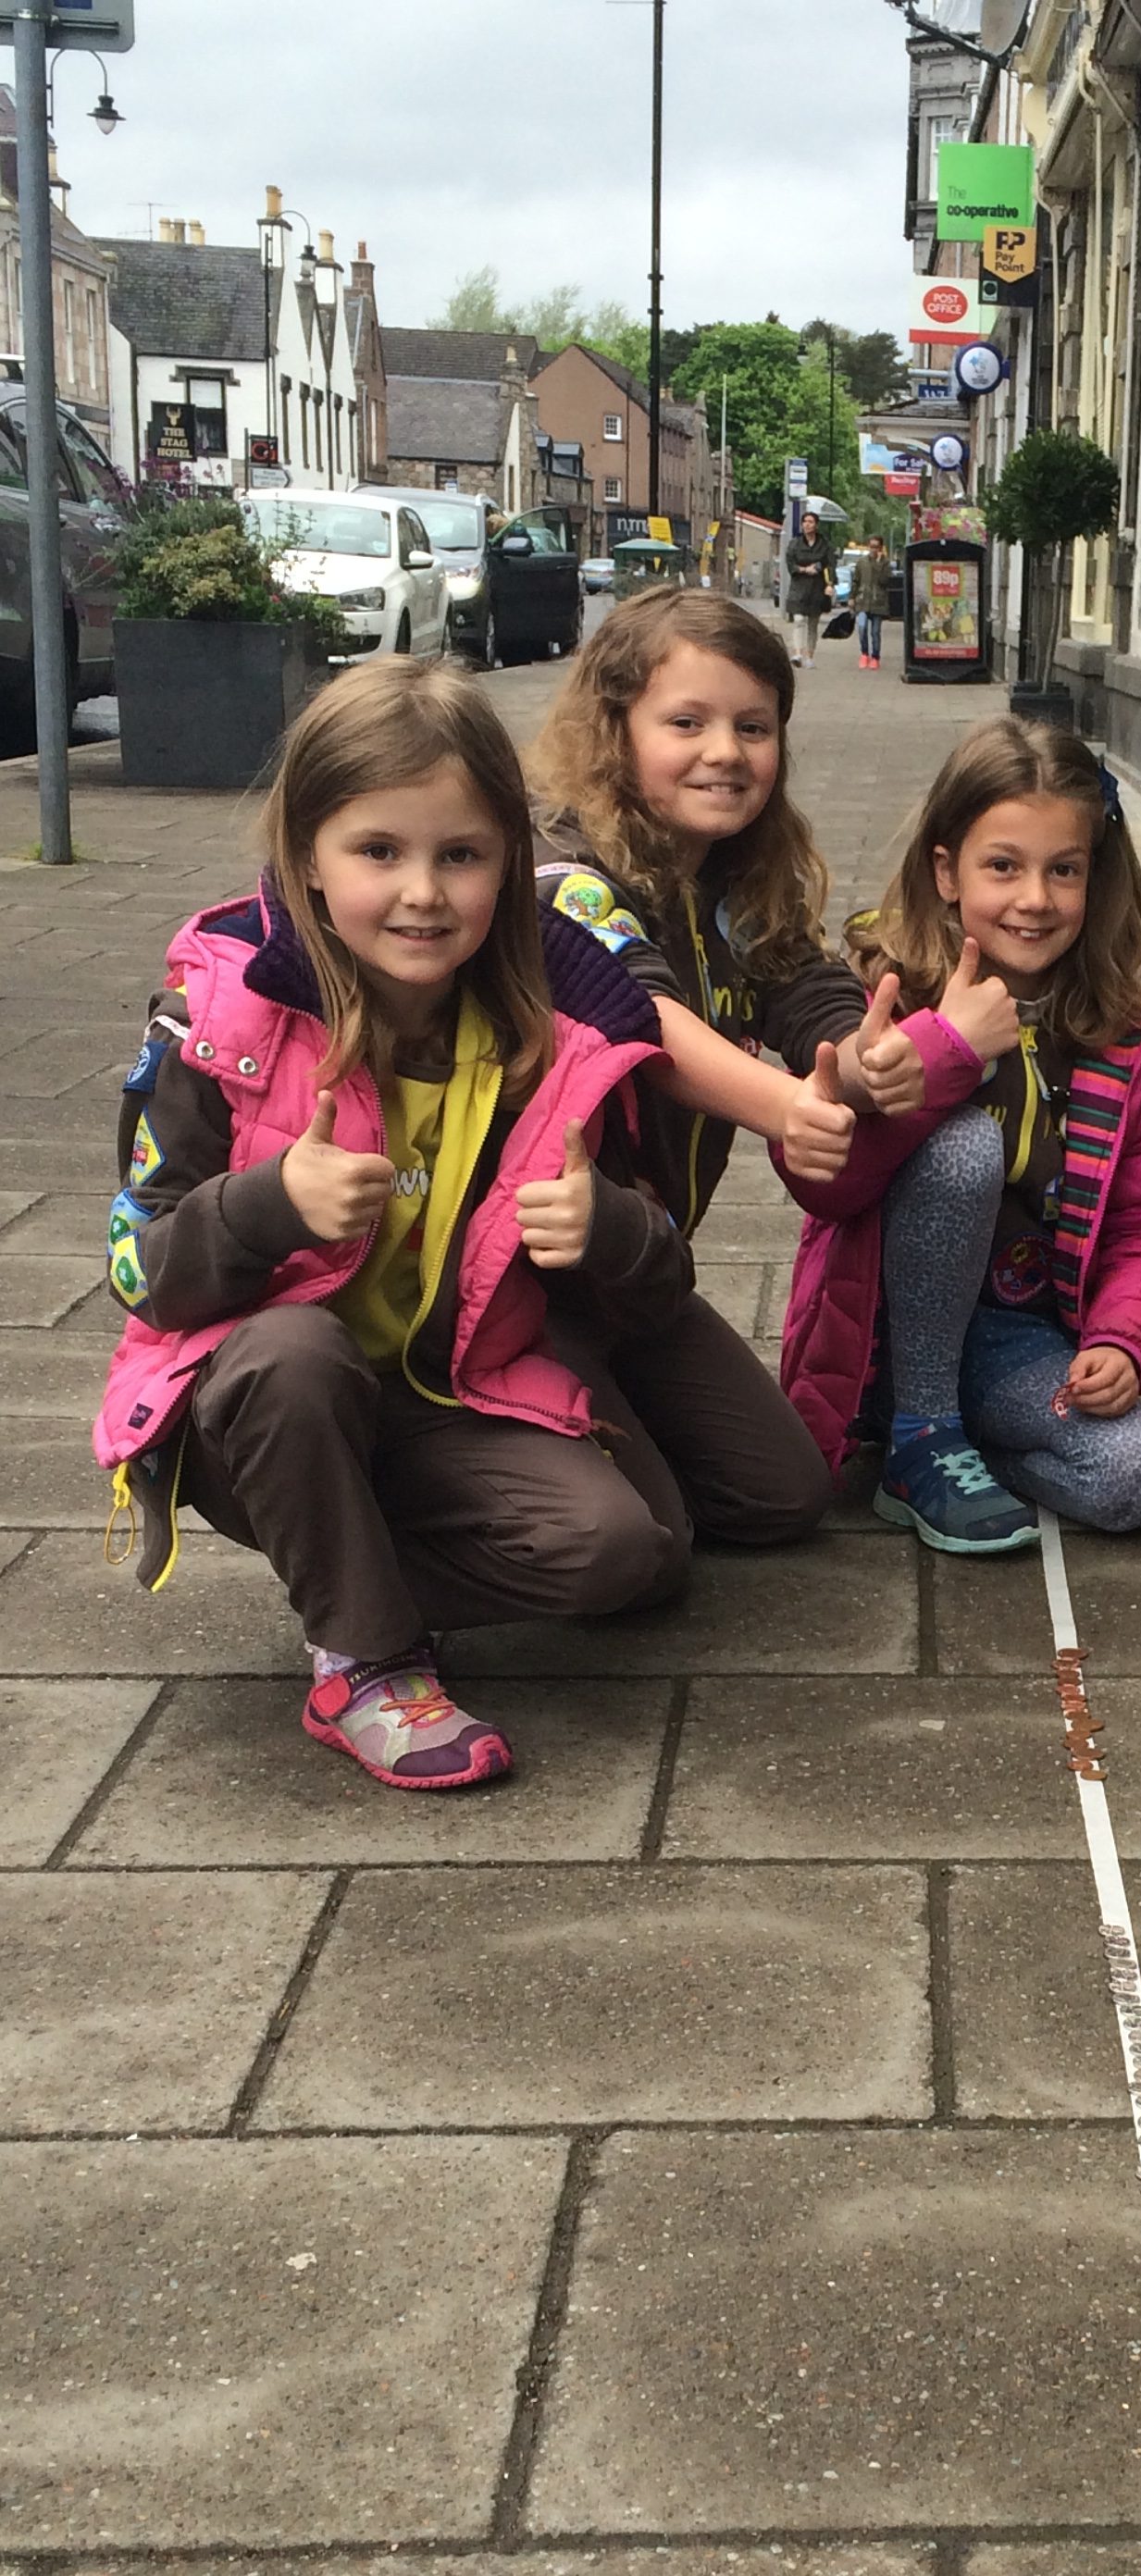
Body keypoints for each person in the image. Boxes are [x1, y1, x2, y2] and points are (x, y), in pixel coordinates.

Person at [95, 658, 696, 1792]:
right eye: (378, 851)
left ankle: (342, 1568)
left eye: (460, 854)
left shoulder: (553, 1044)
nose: (423, 891)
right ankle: (364, 1661)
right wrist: (267, 1206)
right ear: (306, 859)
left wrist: (610, 1229)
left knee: (630, 1555)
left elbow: (660, 1280)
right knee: (294, 1350)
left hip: (444, 1397)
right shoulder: (215, 1024)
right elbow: (139, 1270)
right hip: (258, 1407)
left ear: (508, 861)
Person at [778, 717, 1141, 1551]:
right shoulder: (885, 999)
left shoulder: (1124, 1039)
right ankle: (921, 1431)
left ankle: (960, 1443)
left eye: (1064, 869)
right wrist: (945, 1049)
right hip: (880, 1339)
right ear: (947, 871)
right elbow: (822, 1181)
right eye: (1003, 866)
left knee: (1135, 1476)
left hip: (1017, 1343)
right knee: (965, 1145)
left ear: (1095, 876)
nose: (1035, 898)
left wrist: (1125, 1341)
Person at [528, 588, 895, 1551]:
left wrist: (869, 1058)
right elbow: (642, 1017)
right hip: (530, 1278)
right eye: (686, 723)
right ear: (615, 729)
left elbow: (807, 987)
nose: (725, 751)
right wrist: (789, 1107)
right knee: (640, 1540)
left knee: (783, 1496)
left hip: (639, 1267)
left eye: (753, 726)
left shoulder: (732, 873)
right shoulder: (562, 872)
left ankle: (607, 1423)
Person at [782, 510, 829, 667]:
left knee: (813, 624)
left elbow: (829, 563)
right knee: (798, 620)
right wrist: (804, 569)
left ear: (816, 525)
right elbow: (790, 564)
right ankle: (797, 654)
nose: (807, 525)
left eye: (811, 522)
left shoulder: (824, 544)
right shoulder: (795, 544)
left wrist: (830, 583)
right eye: (805, 522)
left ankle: (809, 656)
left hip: (816, 589)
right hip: (799, 588)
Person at [851, 536, 891, 670]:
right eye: (871, 547)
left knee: (875, 632)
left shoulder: (885, 563)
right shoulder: (862, 562)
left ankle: (875, 657)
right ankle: (864, 653)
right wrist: (852, 597)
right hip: (863, 600)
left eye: (876, 547)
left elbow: (884, 581)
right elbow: (856, 581)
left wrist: (878, 563)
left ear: (881, 548)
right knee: (862, 627)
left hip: (878, 602)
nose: (873, 550)